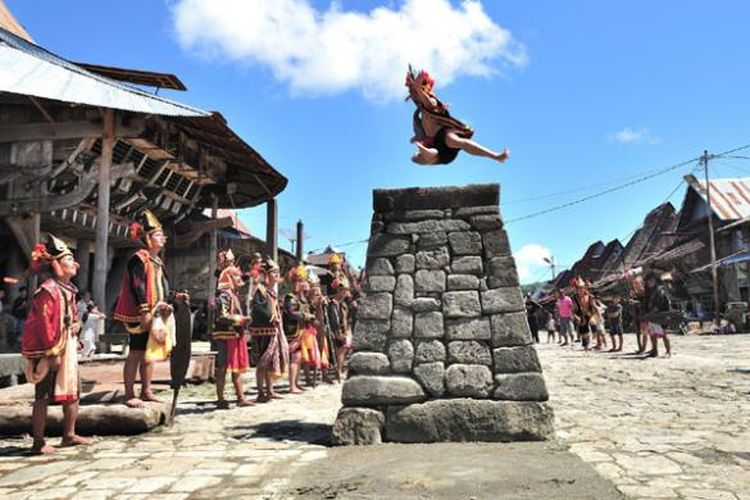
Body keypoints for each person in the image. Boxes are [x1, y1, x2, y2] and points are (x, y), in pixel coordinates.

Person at [21, 234, 91, 454]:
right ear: (57, 265)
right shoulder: (48, 290)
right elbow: (43, 324)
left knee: (74, 390)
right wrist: (52, 353)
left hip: (66, 346)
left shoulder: (69, 290)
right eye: (69, 260)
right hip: (49, 349)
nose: (75, 263)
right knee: (42, 395)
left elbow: (72, 318)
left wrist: (77, 325)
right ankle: (38, 442)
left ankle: (69, 435)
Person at [113, 209, 174, 408]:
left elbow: (163, 285)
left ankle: (146, 390)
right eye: (158, 235)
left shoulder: (157, 261)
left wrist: (172, 299)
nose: (163, 238)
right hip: (141, 313)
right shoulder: (138, 258)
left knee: (150, 353)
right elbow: (137, 285)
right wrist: (145, 311)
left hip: (156, 312)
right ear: (148, 238)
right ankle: (129, 393)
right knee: (136, 352)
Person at [405, 67, 510, 166]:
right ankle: (430, 153)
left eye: (414, 91)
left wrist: (418, 89)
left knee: (454, 140)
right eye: (411, 92)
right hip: (437, 150)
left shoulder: (431, 101)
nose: (412, 94)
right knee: (415, 158)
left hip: (444, 138)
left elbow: (430, 104)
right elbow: (418, 100)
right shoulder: (419, 109)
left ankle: (496, 156)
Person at [212, 250, 253, 409]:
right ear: (229, 277)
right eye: (235, 276)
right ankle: (221, 399)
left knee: (237, 368)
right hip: (225, 335)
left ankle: (240, 397)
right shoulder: (224, 295)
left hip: (235, 334)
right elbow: (221, 316)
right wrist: (239, 319)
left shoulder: (233, 294)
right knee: (222, 367)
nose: (239, 278)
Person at [249, 257, 289, 402]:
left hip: (273, 332)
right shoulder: (260, 290)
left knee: (271, 363)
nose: (277, 275)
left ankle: (270, 391)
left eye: (278, 272)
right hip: (263, 332)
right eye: (274, 272)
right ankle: (261, 393)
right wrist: (271, 318)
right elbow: (257, 309)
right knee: (262, 363)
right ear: (267, 275)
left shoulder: (272, 292)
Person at [283, 264, 321, 393]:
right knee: (295, 358)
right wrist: (308, 316)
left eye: (304, 281)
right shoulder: (290, 298)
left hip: (302, 332)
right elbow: (292, 313)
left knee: (299, 358)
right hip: (293, 331)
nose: (304, 284)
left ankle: (296, 383)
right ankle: (292, 385)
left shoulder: (303, 299)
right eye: (301, 281)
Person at [326, 278, 353, 381]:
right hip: (334, 331)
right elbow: (334, 320)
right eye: (345, 290)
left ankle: (339, 370)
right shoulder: (332, 303)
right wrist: (337, 333)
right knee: (340, 351)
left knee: (342, 351)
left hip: (343, 330)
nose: (347, 293)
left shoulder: (343, 304)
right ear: (340, 290)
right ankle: (338, 371)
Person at [571, 277, 596, 353]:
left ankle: (595, 341)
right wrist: (576, 317)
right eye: (579, 289)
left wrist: (593, 315)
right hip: (580, 315)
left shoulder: (590, 297)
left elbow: (593, 307)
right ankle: (586, 347)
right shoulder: (574, 298)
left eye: (582, 288)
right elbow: (573, 310)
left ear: (585, 288)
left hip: (590, 313)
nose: (581, 290)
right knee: (584, 333)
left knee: (594, 328)